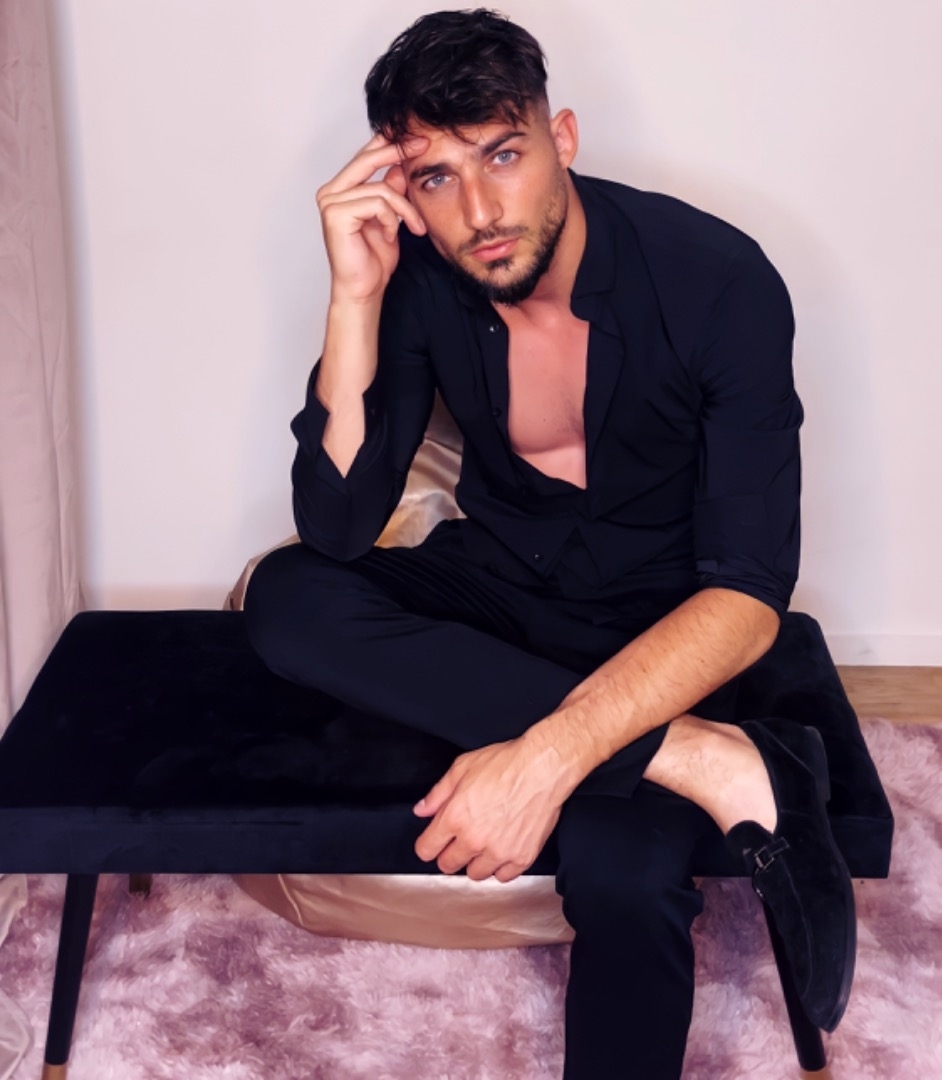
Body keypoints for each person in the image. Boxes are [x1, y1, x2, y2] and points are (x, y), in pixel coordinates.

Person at [244, 10, 855, 1077]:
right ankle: (713, 760)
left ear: (562, 137)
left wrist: (545, 758)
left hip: (671, 624)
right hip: (510, 589)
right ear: (402, 188)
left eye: (503, 156)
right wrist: (354, 293)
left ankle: (665, 745)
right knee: (291, 597)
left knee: (624, 868)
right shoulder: (421, 279)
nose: (479, 212)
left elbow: (750, 593)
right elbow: (337, 525)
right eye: (436, 177)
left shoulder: (717, 280)